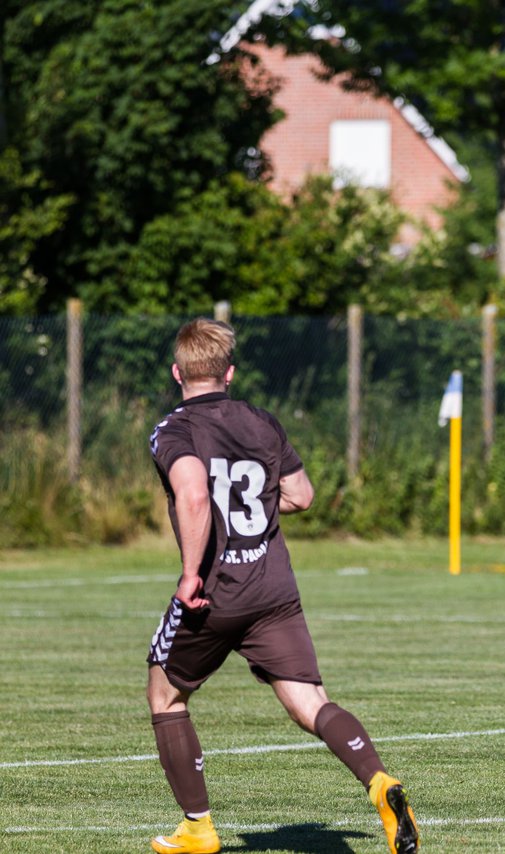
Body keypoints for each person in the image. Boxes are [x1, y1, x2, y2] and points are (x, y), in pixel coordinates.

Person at [145, 318, 419, 854]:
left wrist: (189, 573)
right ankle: (379, 781)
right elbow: (301, 495)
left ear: (178, 372)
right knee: (309, 701)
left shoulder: (173, 429)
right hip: (272, 587)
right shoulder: (261, 421)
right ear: (230, 372)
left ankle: (197, 827)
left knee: (166, 693)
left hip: (215, 590)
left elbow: (194, 496)